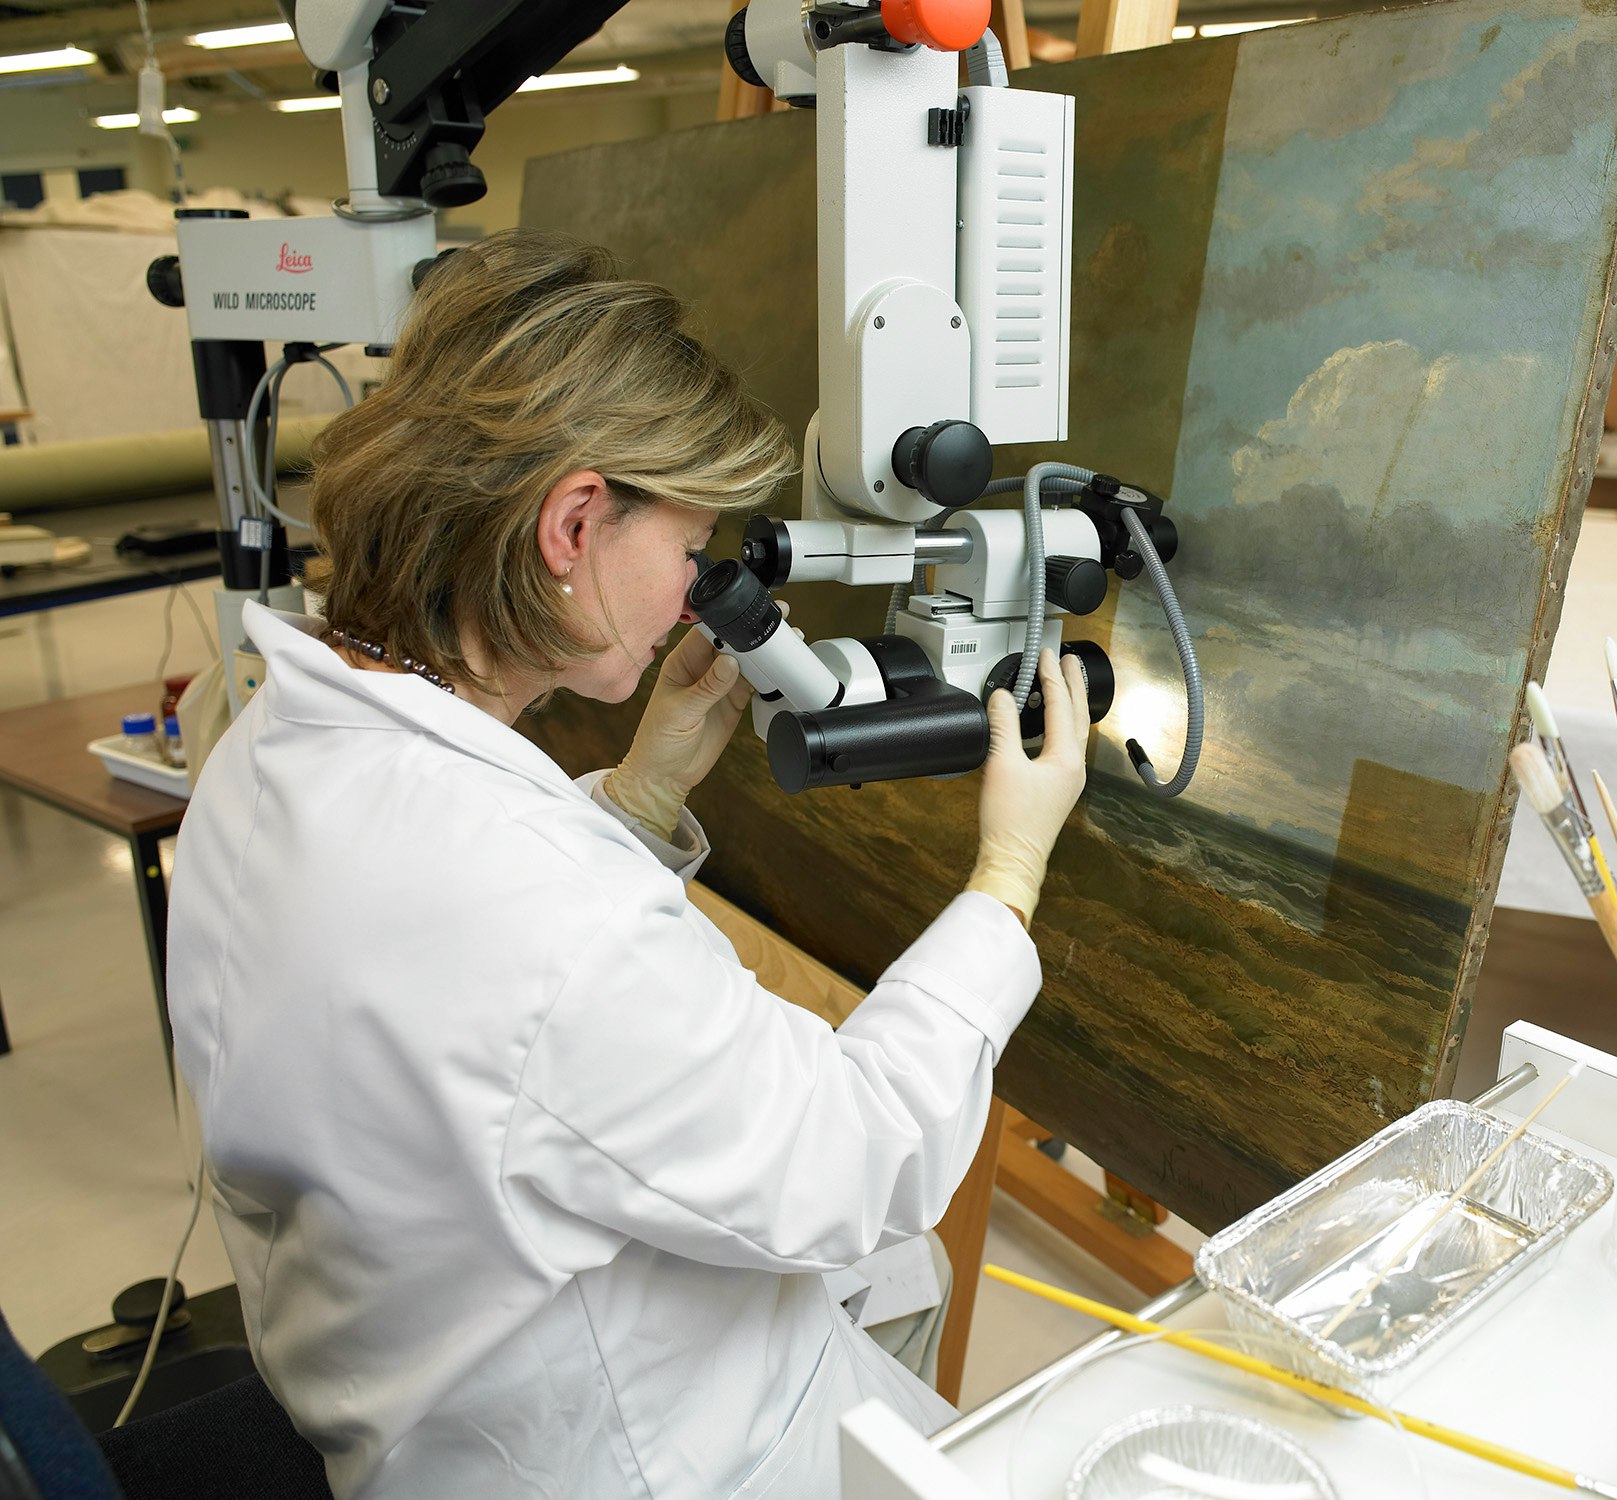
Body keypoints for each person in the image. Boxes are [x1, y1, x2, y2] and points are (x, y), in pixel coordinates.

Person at [165, 229, 1091, 1499]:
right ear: (574, 522)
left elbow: (494, 1031)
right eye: (687, 545)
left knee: (902, 1285)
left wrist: (645, 792)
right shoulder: (531, 906)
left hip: (404, 1374)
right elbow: (857, 1159)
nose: (688, 594)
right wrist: (1008, 873)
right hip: (628, 1455)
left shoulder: (266, 746)